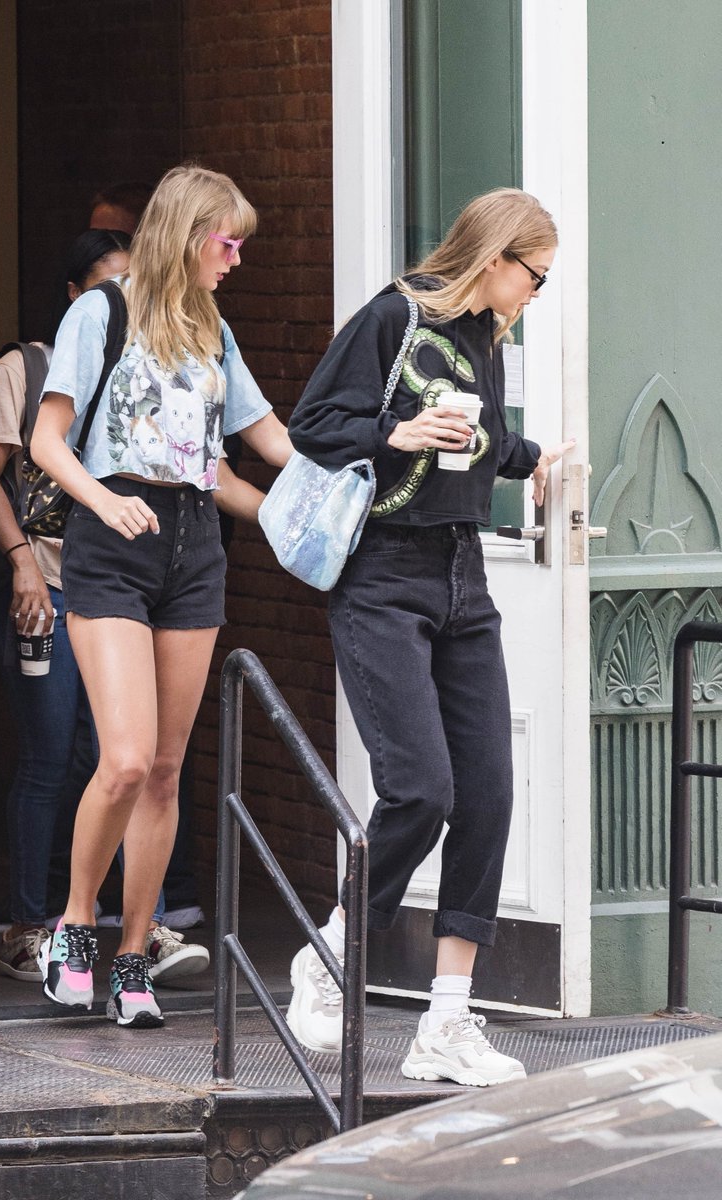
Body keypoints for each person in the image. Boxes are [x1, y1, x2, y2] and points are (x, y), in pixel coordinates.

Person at [285, 187, 575, 1086]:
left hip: (461, 575)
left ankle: (447, 1022)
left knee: (486, 792)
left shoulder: (487, 336)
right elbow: (314, 427)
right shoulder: (393, 317)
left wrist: (533, 461)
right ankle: (332, 950)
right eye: (536, 275)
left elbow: (474, 436)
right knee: (422, 790)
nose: (537, 292)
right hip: (381, 577)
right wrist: (396, 430)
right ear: (494, 258)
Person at [31, 163, 292, 1029]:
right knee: (128, 758)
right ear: (186, 234)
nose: (236, 259)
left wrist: (326, 505)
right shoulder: (98, 313)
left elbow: (256, 448)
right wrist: (101, 499)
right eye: (228, 241)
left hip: (193, 546)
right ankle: (76, 924)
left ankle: (134, 955)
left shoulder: (212, 329)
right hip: (112, 539)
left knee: (170, 770)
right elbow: (47, 440)